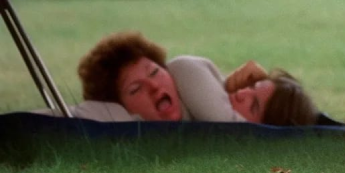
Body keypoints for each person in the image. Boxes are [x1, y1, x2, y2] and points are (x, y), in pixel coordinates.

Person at [73, 31, 320, 126]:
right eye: (136, 88)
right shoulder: (114, 118)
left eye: (155, 72)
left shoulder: (202, 104)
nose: (154, 85)